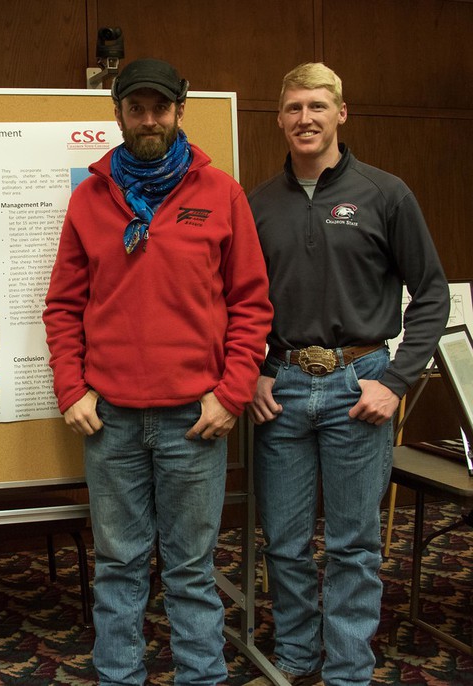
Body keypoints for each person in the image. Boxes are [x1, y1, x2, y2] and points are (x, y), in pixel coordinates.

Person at [43, 58, 272, 685]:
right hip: (109, 421)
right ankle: (120, 675)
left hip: (195, 419)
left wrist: (231, 394)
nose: (148, 119)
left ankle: (201, 676)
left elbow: (251, 304)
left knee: (192, 567)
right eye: (136, 108)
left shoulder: (220, 192)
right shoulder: (89, 199)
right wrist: (71, 389)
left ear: (180, 109)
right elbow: (63, 306)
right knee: (117, 563)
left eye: (160, 107)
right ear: (117, 112)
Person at [246, 63, 450, 685]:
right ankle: (299, 659)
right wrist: (253, 371)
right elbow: (237, 306)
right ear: (279, 119)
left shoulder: (386, 194)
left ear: (341, 114)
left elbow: (432, 297)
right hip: (278, 389)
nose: (305, 118)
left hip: (358, 386)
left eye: (317, 106)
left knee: (354, 546)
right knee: (282, 541)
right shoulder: (255, 205)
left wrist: (396, 381)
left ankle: (348, 671)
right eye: (293, 108)